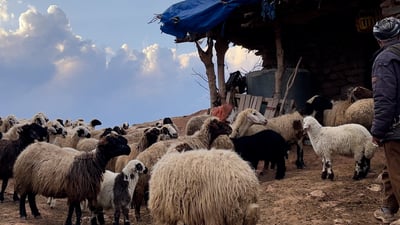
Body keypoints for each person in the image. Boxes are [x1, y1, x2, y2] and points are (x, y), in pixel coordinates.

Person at [371, 16, 400, 225]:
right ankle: (389, 208)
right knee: (390, 168)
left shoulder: (385, 60)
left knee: (397, 170)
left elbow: (385, 99)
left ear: (380, 40)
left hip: (396, 127)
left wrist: (378, 131)